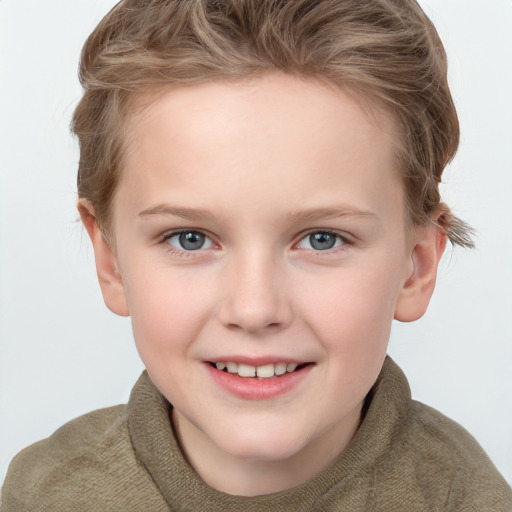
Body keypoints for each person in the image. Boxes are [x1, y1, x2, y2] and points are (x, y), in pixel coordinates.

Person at [2, 0, 511, 510]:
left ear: (416, 268)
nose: (254, 309)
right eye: (190, 239)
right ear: (110, 260)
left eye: (322, 239)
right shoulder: (41, 493)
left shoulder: (467, 500)